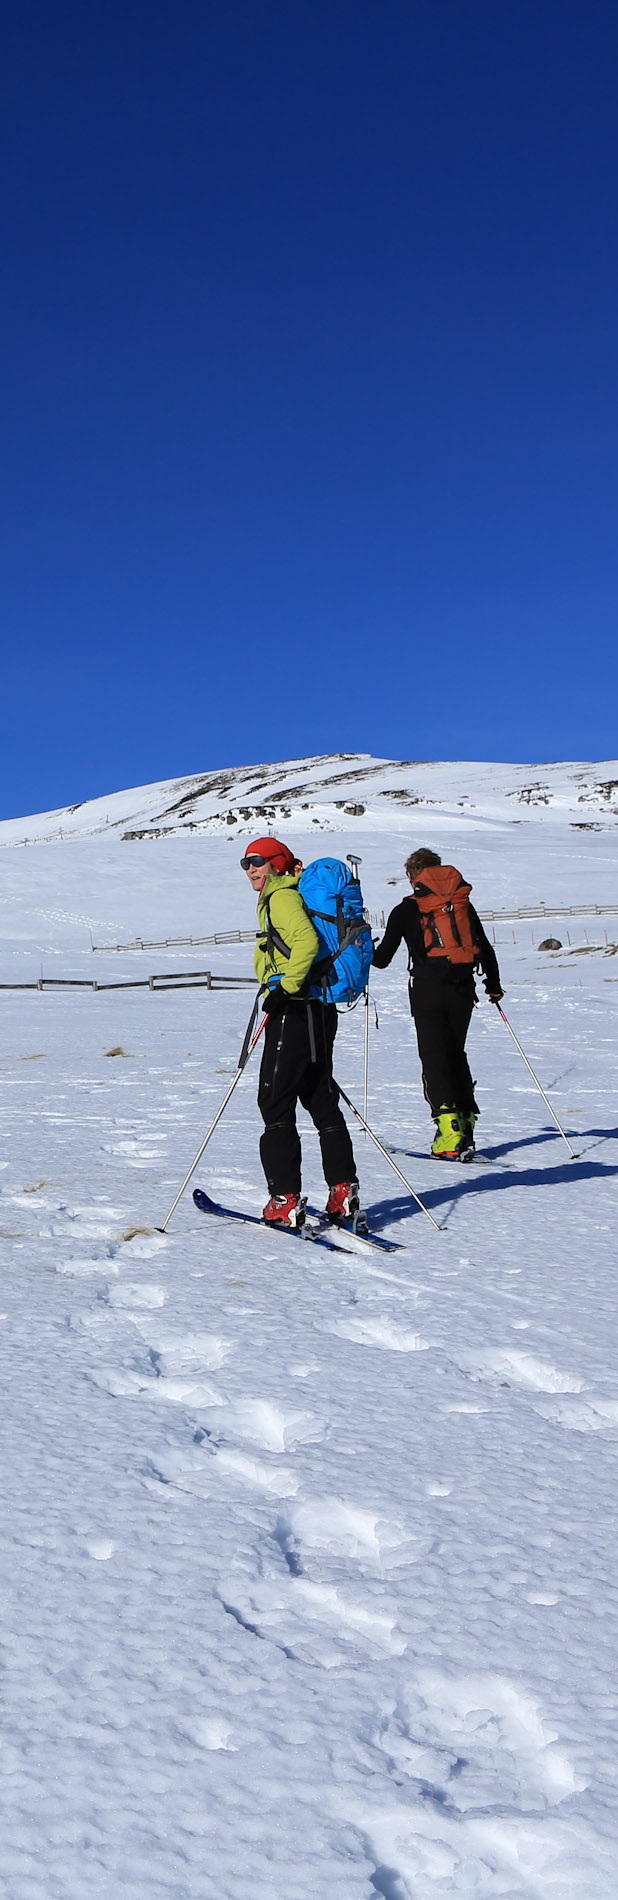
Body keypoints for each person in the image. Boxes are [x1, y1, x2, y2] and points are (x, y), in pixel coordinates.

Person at [241, 836, 360, 1226]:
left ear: (277, 863)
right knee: (319, 1097)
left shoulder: (282, 898)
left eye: (257, 861)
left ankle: (284, 1200)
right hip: (319, 1008)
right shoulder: (293, 894)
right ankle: (342, 1192)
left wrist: (284, 989)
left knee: (274, 1101)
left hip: (294, 1010)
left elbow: (306, 942)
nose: (250, 869)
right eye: (245, 863)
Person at [372, 848, 504, 1159]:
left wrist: (361, 946)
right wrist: (494, 985)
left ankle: (448, 1133)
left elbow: (382, 960)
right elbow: (484, 947)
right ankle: (466, 1124)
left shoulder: (406, 909)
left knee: (434, 1058)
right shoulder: (460, 903)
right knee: (456, 1054)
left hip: (427, 991)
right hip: (463, 989)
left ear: (412, 876)